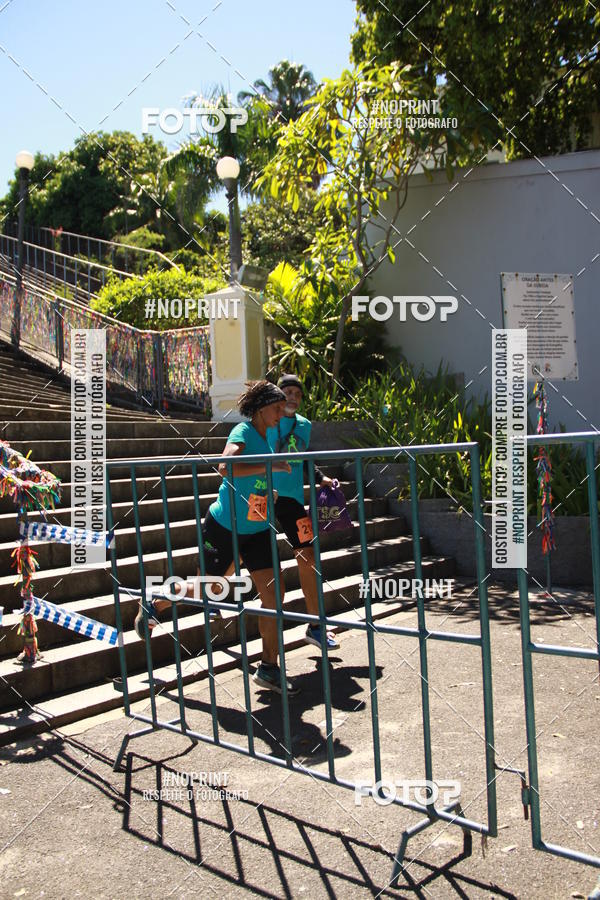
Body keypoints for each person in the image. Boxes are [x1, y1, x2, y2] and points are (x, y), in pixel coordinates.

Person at [134, 380, 300, 695]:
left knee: (274, 599)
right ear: (262, 408)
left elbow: (254, 478)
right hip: (224, 527)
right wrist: (268, 465)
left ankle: (268, 668)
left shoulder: (267, 437)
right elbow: (225, 466)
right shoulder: (243, 432)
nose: (282, 412)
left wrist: (268, 491)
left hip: (257, 529)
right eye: (277, 407)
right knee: (211, 587)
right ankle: (156, 602)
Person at [267, 373, 340, 652]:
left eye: (297, 392)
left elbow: (303, 456)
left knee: (307, 556)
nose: (293, 397)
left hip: (291, 500)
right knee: (235, 552)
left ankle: (316, 626)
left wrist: (320, 476)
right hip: (261, 495)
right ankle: (206, 593)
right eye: (288, 391)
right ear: (277, 394)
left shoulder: (304, 426)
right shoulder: (263, 423)